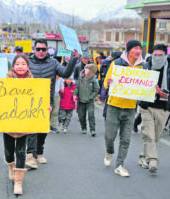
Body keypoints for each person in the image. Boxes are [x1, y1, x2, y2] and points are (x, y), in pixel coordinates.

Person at [0, 54, 36, 195]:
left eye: (23, 64)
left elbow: (39, 101)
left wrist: (46, 109)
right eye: (17, 64)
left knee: (21, 152)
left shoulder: (35, 83)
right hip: (8, 123)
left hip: (24, 123)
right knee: (9, 152)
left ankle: (18, 181)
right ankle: (11, 166)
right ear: (13, 66)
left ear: (27, 66)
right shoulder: (4, 81)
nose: (20, 66)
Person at [25, 39, 78, 169]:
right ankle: (30, 156)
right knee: (32, 129)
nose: (41, 52)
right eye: (38, 49)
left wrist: (73, 59)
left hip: (47, 102)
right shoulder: (27, 62)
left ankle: (39, 153)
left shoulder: (53, 62)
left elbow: (65, 73)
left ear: (47, 49)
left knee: (43, 129)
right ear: (34, 49)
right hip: (29, 102)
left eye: (43, 49)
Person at [103, 40, 147, 177]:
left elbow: (146, 85)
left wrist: (152, 89)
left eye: (140, 48)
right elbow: (105, 83)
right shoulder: (116, 64)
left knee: (126, 139)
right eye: (135, 48)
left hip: (130, 108)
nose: (138, 51)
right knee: (110, 137)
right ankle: (109, 151)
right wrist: (108, 83)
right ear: (128, 50)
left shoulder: (144, 67)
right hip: (114, 106)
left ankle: (120, 165)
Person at [138, 44, 170, 173]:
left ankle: (143, 157)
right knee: (149, 135)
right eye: (155, 55)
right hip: (146, 106)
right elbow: (136, 84)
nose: (157, 58)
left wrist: (167, 94)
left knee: (155, 136)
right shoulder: (145, 66)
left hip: (164, 107)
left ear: (165, 55)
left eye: (160, 55)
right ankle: (153, 160)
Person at [73, 64, 99, 136]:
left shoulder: (93, 80)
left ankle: (92, 130)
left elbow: (96, 89)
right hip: (81, 100)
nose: (86, 70)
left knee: (91, 115)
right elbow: (77, 87)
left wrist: (91, 97)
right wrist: (75, 94)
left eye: (87, 69)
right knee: (81, 116)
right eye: (85, 69)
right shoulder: (81, 78)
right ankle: (83, 128)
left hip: (89, 101)